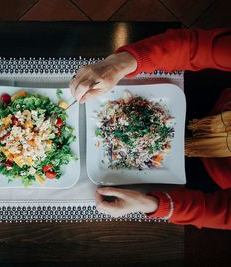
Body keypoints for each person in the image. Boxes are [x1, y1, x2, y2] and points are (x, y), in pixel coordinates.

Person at [70, 28, 231, 230]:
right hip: (209, 100)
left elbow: (223, 212)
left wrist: (151, 204)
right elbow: (195, 47)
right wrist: (117, 64)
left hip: (202, 176)